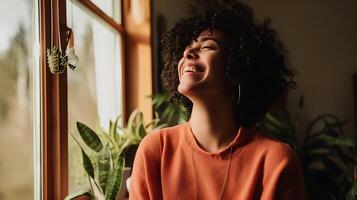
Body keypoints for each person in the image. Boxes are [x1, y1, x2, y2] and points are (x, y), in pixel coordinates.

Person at [130, 0, 306, 199]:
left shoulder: (274, 161)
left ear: (237, 70)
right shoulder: (156, 150)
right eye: (187, 47)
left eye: (208, 47)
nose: (188, 52)